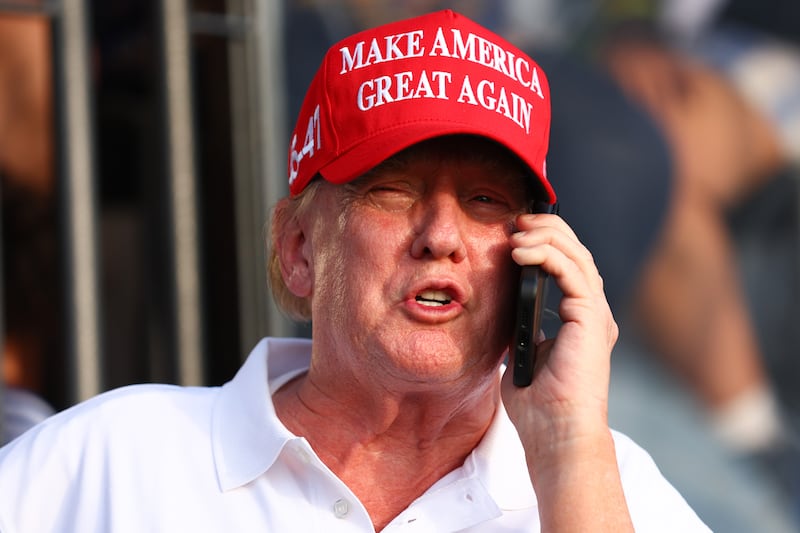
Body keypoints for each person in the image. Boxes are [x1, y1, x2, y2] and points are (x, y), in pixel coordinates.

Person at [0, 10, 710, 531]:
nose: (440, 238)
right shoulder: (110, 461)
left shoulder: (608, 487)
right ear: (300, 249)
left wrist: (566, 451)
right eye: (393, 192)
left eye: (484, 200)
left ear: (535, 262)